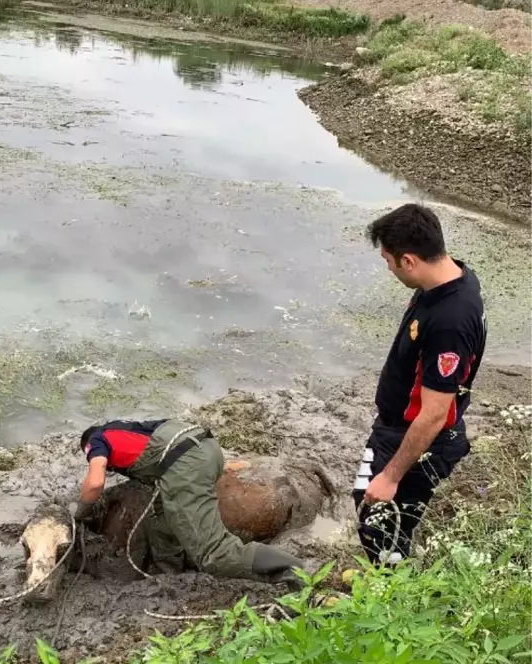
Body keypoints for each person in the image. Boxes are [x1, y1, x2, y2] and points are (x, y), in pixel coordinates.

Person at [354, 203, 487, 564]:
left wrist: (393, 475)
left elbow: (433, 414)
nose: (388, 268)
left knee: (381, 526)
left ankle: (393, 599)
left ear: (409, 260)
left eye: (388, 260)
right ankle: (388, 581)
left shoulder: (450, 321)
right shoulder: (445, 279)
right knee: (367, 504)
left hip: (418, 437)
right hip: (392, 427)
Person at [74, 418, 304, 585]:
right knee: (159, 521)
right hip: (208, 447)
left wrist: (81, 511)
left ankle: (295, 570)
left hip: (184, 468)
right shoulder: (131, 429)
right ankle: (170, 575)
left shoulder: (96, 440)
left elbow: (95, 482)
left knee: (214, 554)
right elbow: (178, 445)